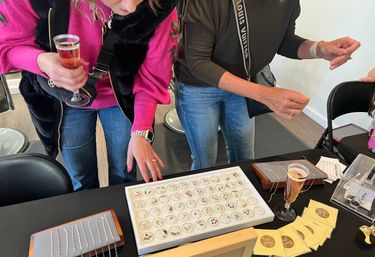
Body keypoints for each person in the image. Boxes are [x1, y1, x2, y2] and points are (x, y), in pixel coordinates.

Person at [0, 0, 178, 190]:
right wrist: (41, 62)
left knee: (124, 174)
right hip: (66, 99)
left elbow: (153, 76)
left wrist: (141, 131)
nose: (132, 8)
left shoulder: (160, 4)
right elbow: (7, 46)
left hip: (124, 96)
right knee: (80, 177)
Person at [174, 0, 360, 170]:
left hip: (243, 85)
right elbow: (198, 63)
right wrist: (264, 94)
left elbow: (284, 41)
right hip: (198, 87)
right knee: (205, 160)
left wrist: (318, 49)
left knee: (245, 157)